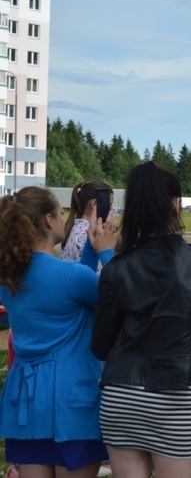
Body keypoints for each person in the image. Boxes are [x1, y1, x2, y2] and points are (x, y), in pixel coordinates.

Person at [91, 161, 191, 478]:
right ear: (175, 204)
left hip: (121, 396)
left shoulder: (116, 268)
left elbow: (100, 346)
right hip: (176, 395)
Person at [0, 187, 117, 478]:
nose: (66, 219)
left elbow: (69, 287)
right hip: (72, 403)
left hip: (27, 401)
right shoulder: (72, 277)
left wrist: (89, 249)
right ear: (49, 220)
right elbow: (121, 299)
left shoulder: (8, 278)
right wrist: (107, 252)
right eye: (61, 213)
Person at [60, 180, 114, 270]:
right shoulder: (89, 234)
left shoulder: (72, 227)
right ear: (94, 204)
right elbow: (104, 273)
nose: (112, 209)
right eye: (109, 204)